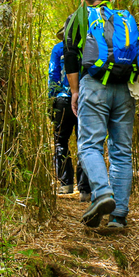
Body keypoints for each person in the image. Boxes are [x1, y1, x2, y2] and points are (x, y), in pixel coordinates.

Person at [65, 0, 139, 229]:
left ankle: (102, 193)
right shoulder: (122, 18)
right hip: (125, 88)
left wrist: (75, 91)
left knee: (89, 145)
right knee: (121, 150)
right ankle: (119, 216)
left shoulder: (79, 17)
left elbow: (69, 54)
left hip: (95, 86)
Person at [48, 23, 90, 199]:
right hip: (85, 99)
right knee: (85, 142)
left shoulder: (58, 49)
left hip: (63, 100)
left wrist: (51, 100)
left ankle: (66, 184)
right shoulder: (89, 48)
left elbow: (53, 75)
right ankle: (85, 189)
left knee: (61, 141)